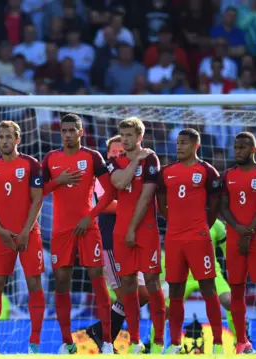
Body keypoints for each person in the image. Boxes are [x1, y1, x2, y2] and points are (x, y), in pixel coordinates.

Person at [41, 114, 114, 354]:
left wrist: (90, 216)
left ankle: (107, 342)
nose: (68, 134)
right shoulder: (51, 158)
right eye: (64, 130)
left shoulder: (92, 157)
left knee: (98, 281)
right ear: (60, 133)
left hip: (88, 227)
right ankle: (67, 342)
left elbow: (109, 191)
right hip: (61, 231)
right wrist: (57, 181)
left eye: (73, 130)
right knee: (61, 284)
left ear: (81, 132)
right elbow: (38, 192)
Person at [101, 118, 166, 354]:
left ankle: (159, 340)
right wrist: (134, 161)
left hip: (145, 231)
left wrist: (132, 228)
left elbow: (147, 196)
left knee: (151, 283)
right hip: (121, 232)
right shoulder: (114, 162)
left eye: (129, 135)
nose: (125, 139)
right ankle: (136, 340)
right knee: (128, 284)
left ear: (140, 137)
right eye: (122, 135)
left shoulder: (151, 159)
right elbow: (119, 182)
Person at [0, 121, 45, 354]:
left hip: (29, 234)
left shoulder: (30, 164)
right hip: (3, 236)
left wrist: (26, 231)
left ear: (18, 139)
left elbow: (38, 199)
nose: (5, 140)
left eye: (9, 136)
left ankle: (35, 343)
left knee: (34, 284)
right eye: (1, 136)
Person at [156, 128, 223, 354]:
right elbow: (162, 204)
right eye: (177, 142)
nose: (179, 146)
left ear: (196, 144)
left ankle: (217, 342)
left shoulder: (207, 171)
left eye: (184, 142)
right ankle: (175, 343)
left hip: (199, 238)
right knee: (175, 290)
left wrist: (203, 225)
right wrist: (175, 221)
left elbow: (215, 204)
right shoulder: (165, 172)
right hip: (174, 238)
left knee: (208, 288)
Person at [85, 135, 151, 351]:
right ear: (107, 155)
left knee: (142, 296)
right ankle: (130, 341)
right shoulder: (102, 176)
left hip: (132, 242)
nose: (116, 155)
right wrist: (136, 203)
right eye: (113, 152)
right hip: (110, 242)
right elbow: (106, 206)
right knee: (130, 296)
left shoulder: (134, 174)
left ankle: (102, 333)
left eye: (120, 151)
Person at [220, 131, 256, 354]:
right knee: (236, 289)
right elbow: (223, 207)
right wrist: (238, 230)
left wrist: (248, 232)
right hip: (235, 238)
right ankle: (242, 341)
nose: (238, 151)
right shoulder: (227, 175)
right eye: (236, 147)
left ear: (253, 149)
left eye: (242, 148)